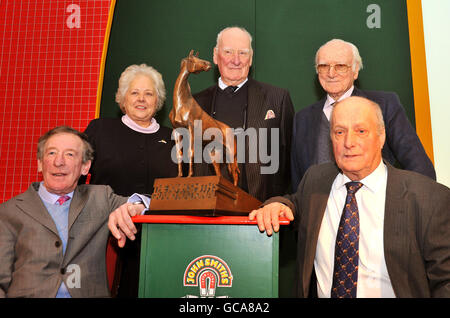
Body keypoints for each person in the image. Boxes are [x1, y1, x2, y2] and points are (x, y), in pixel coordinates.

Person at [249, 96, 450, 298]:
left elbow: (445, 281)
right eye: (339, 132)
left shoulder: (428, 198)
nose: (348, 142)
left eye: (360, 131)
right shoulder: (316, 180)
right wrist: (277, 205)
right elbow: (293, 203)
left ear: (381, 137)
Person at [0, 126, 146, 298]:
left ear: (85, 167)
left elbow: (151, 203)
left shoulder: (101, 198)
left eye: (69, 154)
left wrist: (136, 206)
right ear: (40, 163)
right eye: (52, 153)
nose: (59, 162)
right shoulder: (9, 211)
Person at [82, 64, 179, 297]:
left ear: (158, 100)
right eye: (134, 93)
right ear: (122, 98)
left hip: (158, 243)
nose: (141, 99)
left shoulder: (175, 138)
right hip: (103, 240)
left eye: (149, 93)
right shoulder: (100, 129)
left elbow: (181, 190)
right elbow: (75, 181)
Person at [290, 38, 436, 191]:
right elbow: (298, 183)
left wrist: (408, 209)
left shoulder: (385, 105)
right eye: (324, 66)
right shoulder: (302, 119)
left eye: (340, 66)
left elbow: (420, 166)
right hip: (322, 212)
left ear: (355, 70)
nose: (331, 73)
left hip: (376, 210)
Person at [193, 26, 295, 202]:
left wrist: (277, 203)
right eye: (228, 52)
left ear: (251, 58)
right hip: (206, 213)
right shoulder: (195, 104)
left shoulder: (277, 99)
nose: (236, 60)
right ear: (215, 55)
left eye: (243, 53)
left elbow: (290, 161)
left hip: (261, 215)